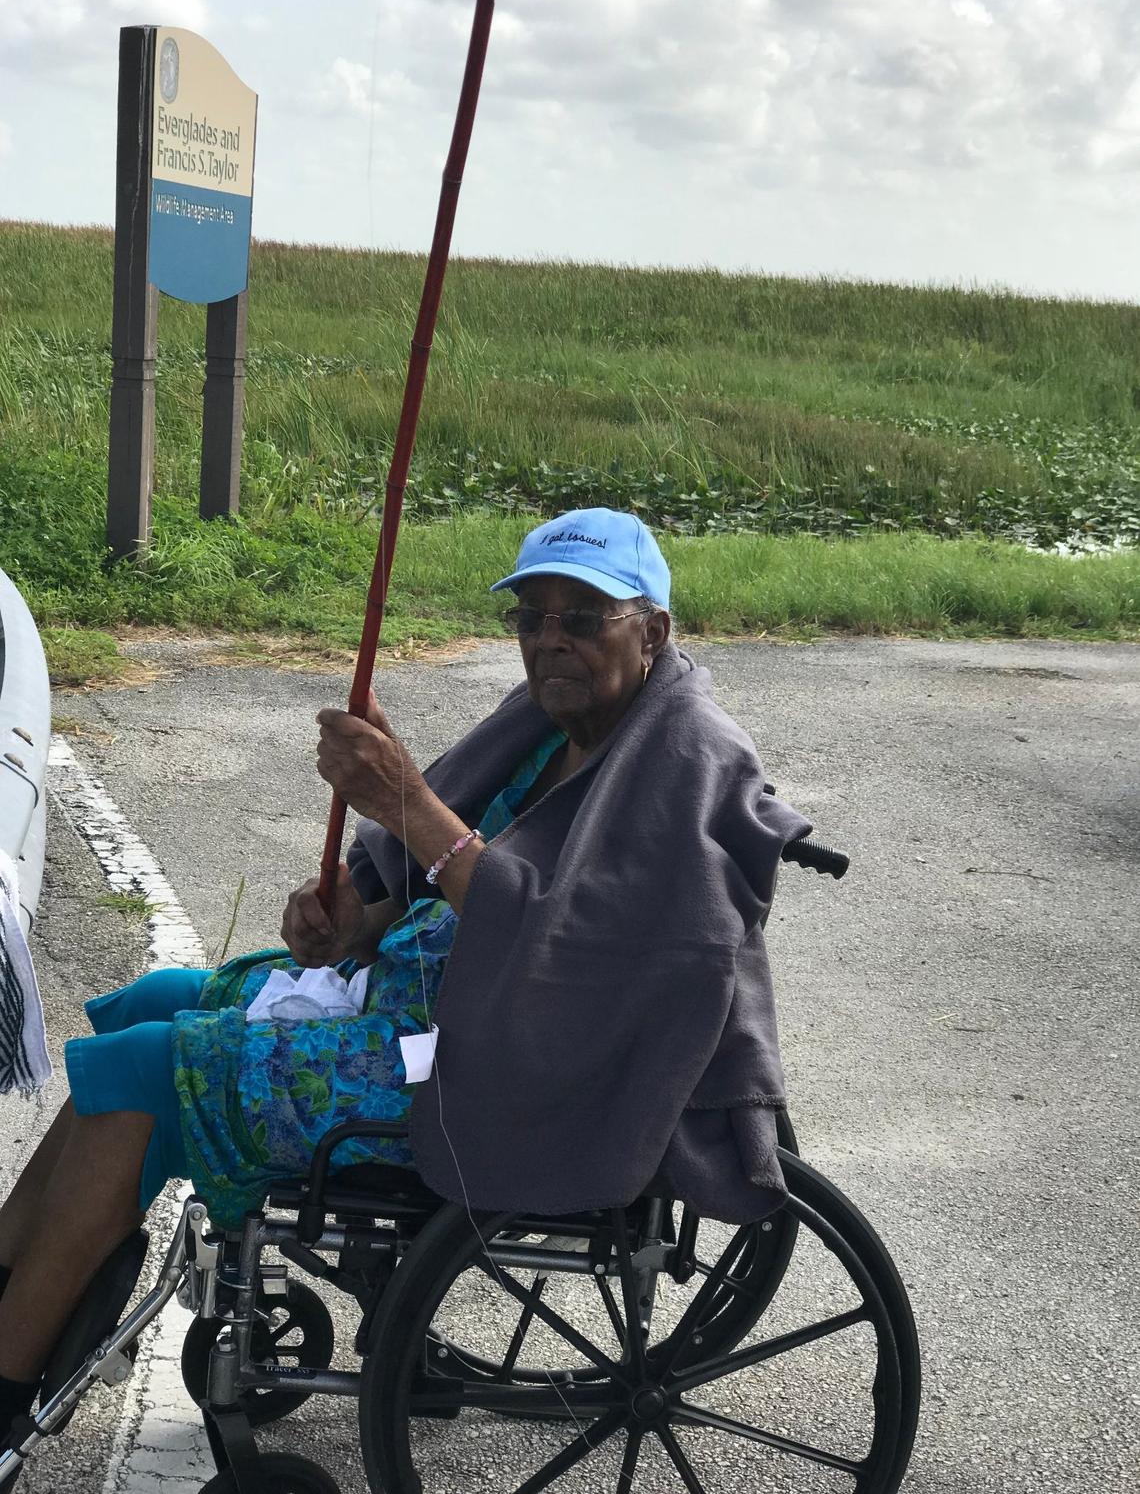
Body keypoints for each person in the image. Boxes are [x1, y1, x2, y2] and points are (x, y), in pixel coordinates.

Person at [0, 507, 808, 1443]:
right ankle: (20, 1279)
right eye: (530, 616)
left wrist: (405, 799)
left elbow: (572, 952)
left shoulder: (685, 758)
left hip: (503, 1067)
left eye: (583, 618)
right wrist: (353, 923)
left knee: (151, 1067)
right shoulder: (555, 722)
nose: (550, 640)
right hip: (424, 1009)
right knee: (153, 1005)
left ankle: (9, 1371)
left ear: (653, 629)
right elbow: (440, 876)